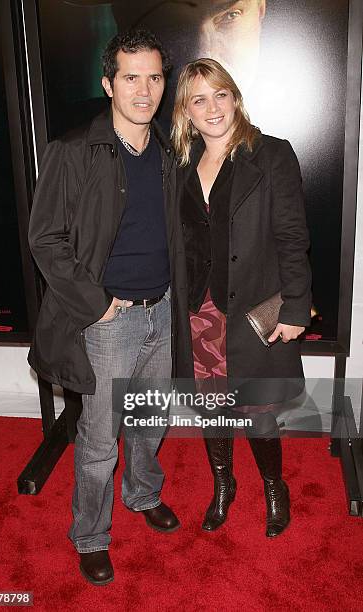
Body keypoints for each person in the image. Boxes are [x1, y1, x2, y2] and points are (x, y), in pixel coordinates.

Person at [28, 29, 192, 586]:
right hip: (109, 322)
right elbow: (45, 239)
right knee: (99, 440)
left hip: (162, 310)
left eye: (154, 77)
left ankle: (144, 495)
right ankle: (91, 535)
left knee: (149, 422)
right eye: (130, 77)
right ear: (108, 84)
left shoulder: (170, 151)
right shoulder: (72, 152)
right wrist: (96, 305)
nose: (144, 90)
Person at [171, 58, 311, 537]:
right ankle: (223, 485)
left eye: (220, 94)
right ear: (186, 112)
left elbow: (293, 236)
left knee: (257, 409)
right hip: (199, 312)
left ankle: (275, 487)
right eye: (199, 99)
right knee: (211, 407)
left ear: (235, 97)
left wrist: (295, 307)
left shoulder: (271, 155)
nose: (212, 108)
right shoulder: (180, 164)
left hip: (252, 310)